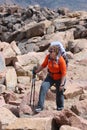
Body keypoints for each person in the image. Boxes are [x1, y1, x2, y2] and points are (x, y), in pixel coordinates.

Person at [34, 45, 67, 113]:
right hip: (50, 76)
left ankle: (60, 107)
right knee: (43, 87)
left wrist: (62, 84)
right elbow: (43, 65)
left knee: (59, 92)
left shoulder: (61, 60)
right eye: (49, 51)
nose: (50, 53)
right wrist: (36, 71)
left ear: (56, 52)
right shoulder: (48, 57)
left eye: (51, 51)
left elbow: (64, 73)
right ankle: (40, 107)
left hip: (60, 78)